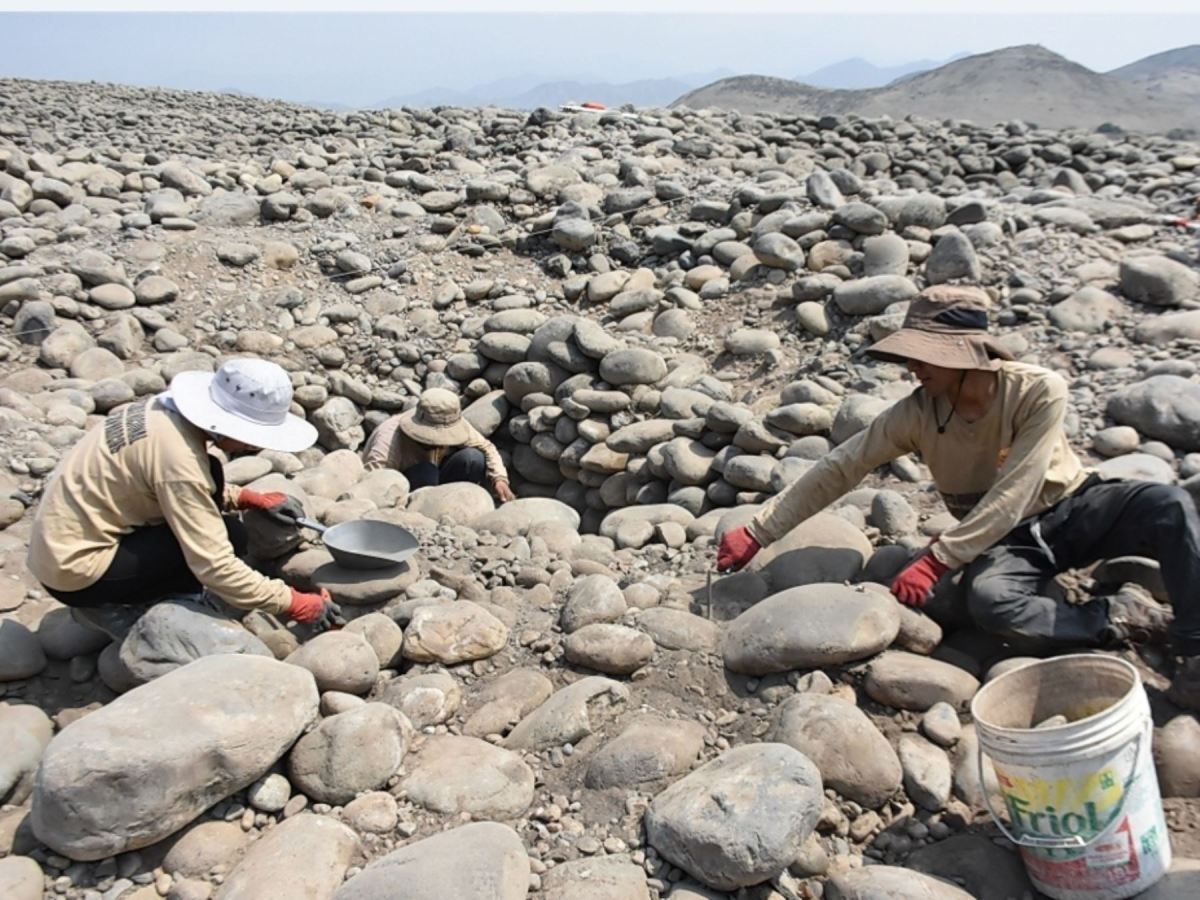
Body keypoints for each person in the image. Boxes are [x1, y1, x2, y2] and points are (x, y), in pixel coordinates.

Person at [716, 285, 1200, 709]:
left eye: (923, 355)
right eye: (910, 353)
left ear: (964, 353)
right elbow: (842, 466)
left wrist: (938, 559)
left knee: (1169, 506)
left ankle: (1194, 647)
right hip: (1010, 540)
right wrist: (760, 531)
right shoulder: (915, 414)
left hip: (1076, 507)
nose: (911, 366)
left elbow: (1017, 487)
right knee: (993, 602)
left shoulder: (1037, 390)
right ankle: (1117, 616)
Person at [27, 358, 343, 632]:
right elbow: (214, 566)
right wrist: (292, 602)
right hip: (75, 572)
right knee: (230, 537)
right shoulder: (180, 461)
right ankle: (126, 611)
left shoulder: (162, 412)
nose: (253, 447)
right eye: (251, 440)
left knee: (219, 497)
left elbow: (158, 486)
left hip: (61, 544)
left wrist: (243, 498)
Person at [362, 388, 516, 502]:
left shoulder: (449, 419)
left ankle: (454, 506)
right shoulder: (389, 438)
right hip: (404, 490)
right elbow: (374, 481)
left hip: (439, 479)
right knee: (426, 471)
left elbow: (486, 447)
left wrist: (499, 479)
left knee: (473, 458)